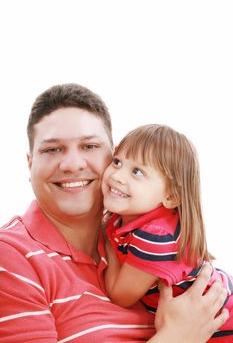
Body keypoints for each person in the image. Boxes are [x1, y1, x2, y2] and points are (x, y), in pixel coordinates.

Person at [0, 84, 229, 343]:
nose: (73, 164)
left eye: (89, 146)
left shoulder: (134, 237)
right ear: (30, 164)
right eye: (52, 149)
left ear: (112, 153)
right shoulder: (10, 257)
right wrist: (177, 337)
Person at [102, 123, 233, 342]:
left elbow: (119, 295)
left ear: (171, 197)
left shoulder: (155, 237)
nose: (117, 176)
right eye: (117, 162)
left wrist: (106, 239)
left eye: (137, 171)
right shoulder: (130, 216)